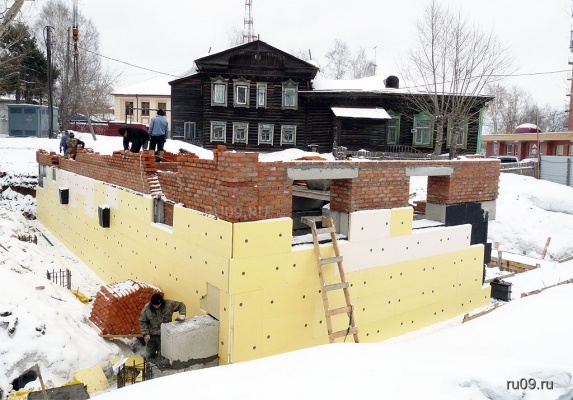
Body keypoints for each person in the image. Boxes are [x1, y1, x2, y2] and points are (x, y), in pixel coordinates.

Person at [139, 293, 186, 361]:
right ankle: (149, 364)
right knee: (149, 355)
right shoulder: (147, 309)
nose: (157, 306)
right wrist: (145, 334)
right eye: (155, 305)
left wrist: (182, 314)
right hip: (151, 335)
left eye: (158, 305)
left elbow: (181, 305)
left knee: (162, 356)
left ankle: (159, 364)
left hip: (164, 335)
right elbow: (143, 321)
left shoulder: (169, 305)